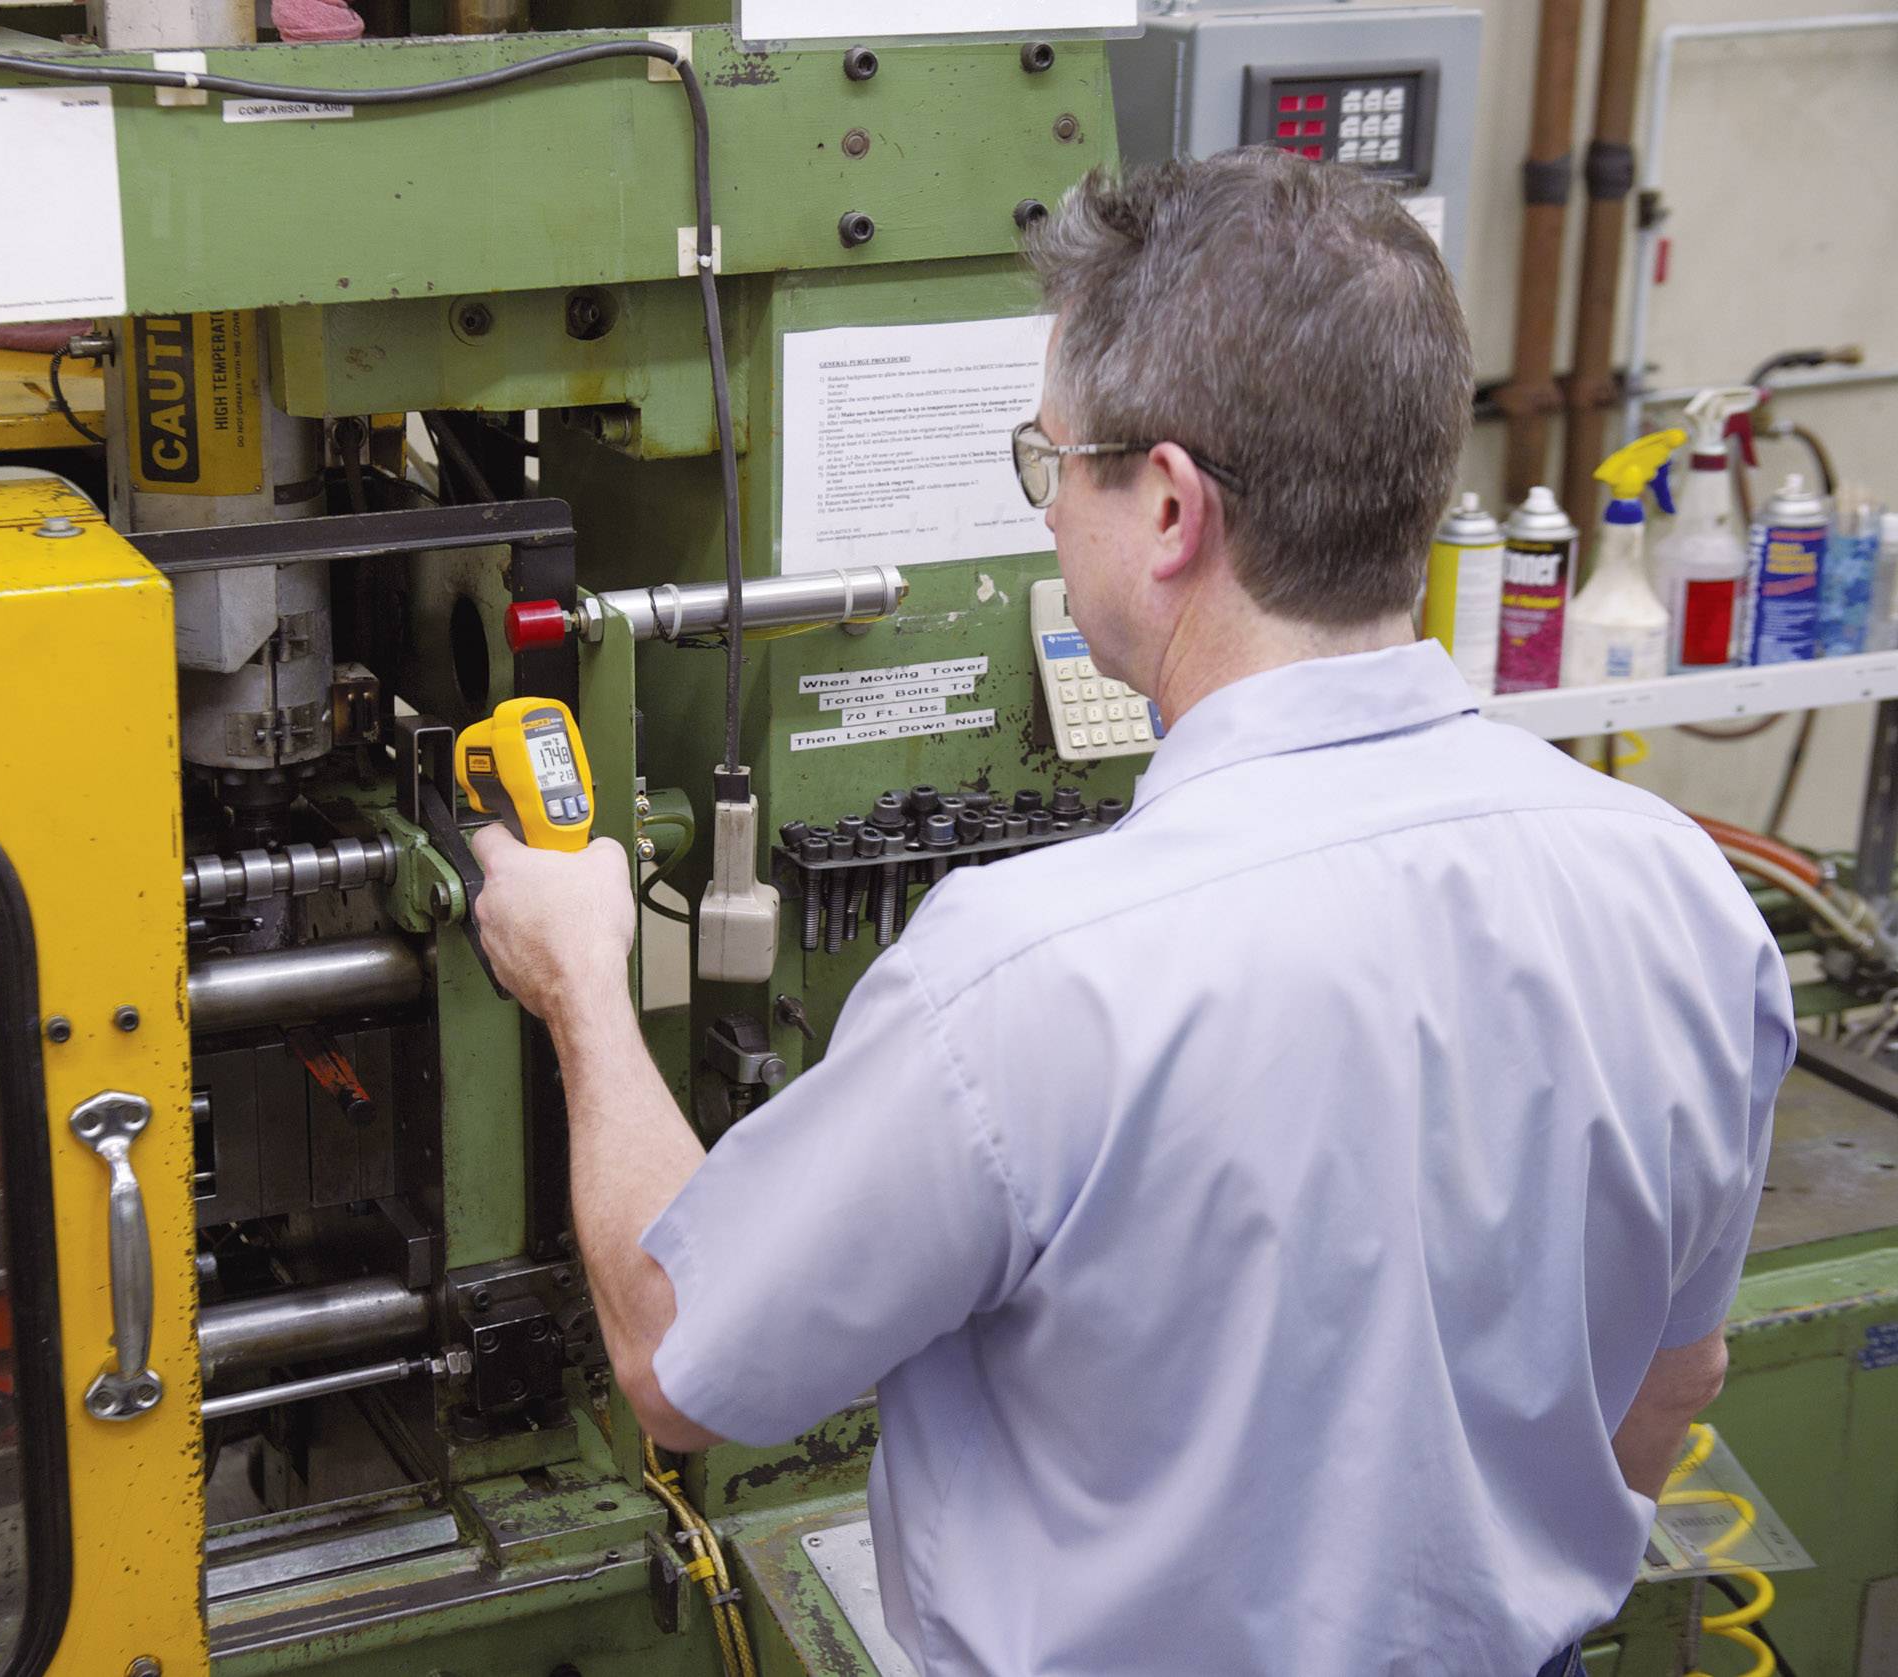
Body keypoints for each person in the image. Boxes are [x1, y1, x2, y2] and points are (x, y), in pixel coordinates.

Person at [469, 149, 1792, 1677]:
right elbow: (1671, 1386)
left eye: (1052, 466)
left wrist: (579, 971)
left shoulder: (1029, 976)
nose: (1046, 516)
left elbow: (682, 1354)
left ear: (1166, 505)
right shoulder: (1681, 888)